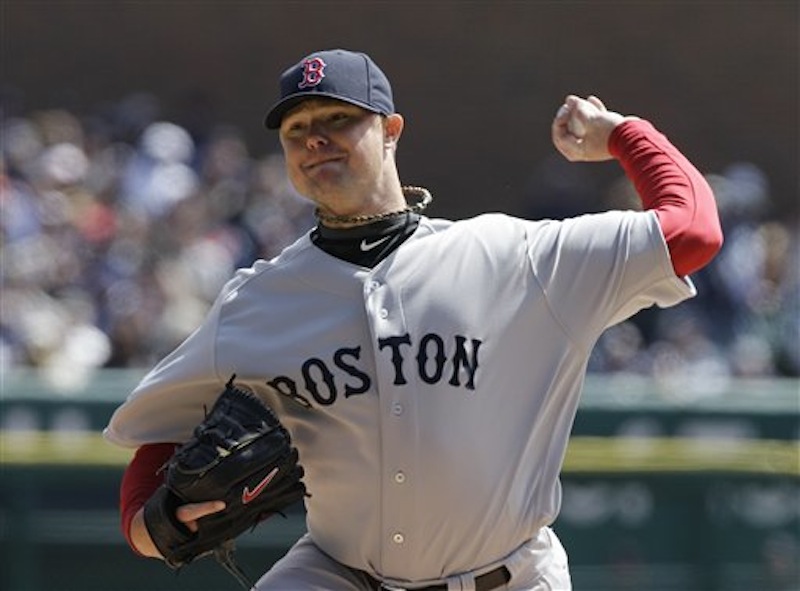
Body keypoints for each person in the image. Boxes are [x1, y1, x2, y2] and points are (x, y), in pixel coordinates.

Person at [105, 48, 723, 591]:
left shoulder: (516, 259)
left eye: (338, 119)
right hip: (339, 574)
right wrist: (153, 530)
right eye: (297, 129)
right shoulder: (257, 303)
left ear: (391, 129)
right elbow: (159, 437)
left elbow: (692, 229)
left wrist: (623, 134)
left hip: (510, 577)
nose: (315, 138)